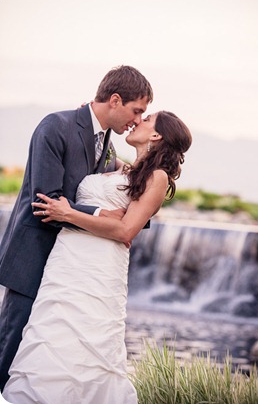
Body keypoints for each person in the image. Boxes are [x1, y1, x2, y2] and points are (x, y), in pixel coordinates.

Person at [2, 111, 192, 404]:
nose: (137, 120)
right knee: (50, 334)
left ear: (156, 135)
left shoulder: (157, 178)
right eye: (139, 112)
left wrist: (69, 213)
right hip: (66, 261)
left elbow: (127, 230)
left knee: (88, 343)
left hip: (99, 267)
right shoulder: (118, 165)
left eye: (146, 117)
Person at [0, 65, 153, 391]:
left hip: (72, 271)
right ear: (115, 100)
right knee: (10, 349)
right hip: (34, 258)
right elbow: (44, 201)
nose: (138, 119)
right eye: (136, 110)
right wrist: (101, 212)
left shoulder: (108, 143)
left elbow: (126, 192)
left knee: (44, 358)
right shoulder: (56, 126)